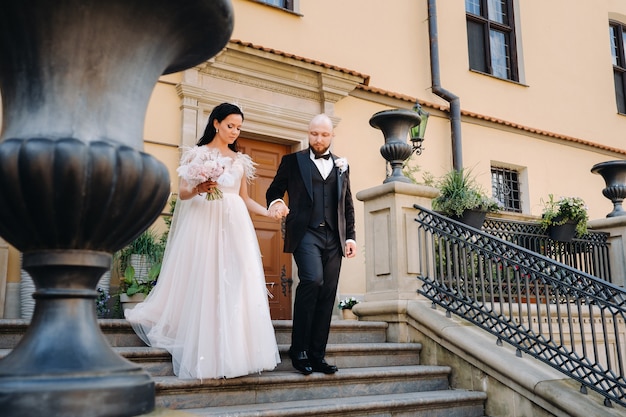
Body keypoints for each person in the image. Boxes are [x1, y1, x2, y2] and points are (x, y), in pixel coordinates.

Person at [125, 102, 281, 380]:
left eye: (239, 127)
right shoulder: (197, 155)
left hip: (235, 225)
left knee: (237, 281)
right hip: (205, 221)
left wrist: (267, 212)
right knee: (207, 277)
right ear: (216, 123)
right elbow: (184, 193)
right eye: (230, 125)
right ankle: (205, 347)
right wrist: (200, 187)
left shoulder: (239, 160)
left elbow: (244, 199)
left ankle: (236, 349)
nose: (235, 132)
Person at [266, 113, 356, 375]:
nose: (319, 139)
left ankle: (317, 354)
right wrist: (278, 202)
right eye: (314, 133)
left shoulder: (342, 165)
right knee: (312, 281)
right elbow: (274, 191)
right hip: (306, 233)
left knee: (327, 294)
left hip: (334, 237)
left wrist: (350, 237)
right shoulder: (292, 161)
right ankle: (299, 351)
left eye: (324, 134)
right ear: (308, 133)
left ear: (332, 136)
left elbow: (347, 204)